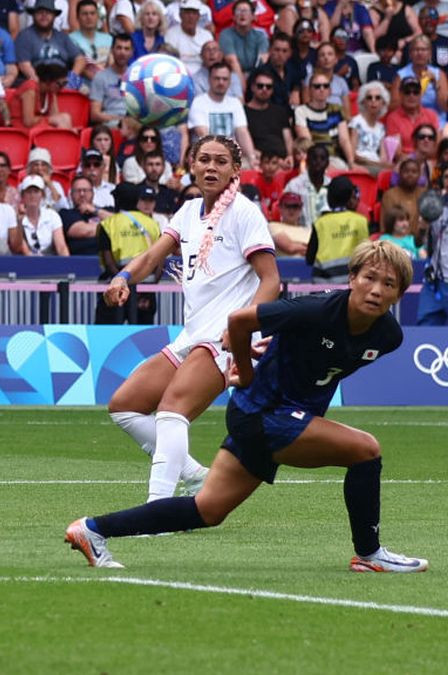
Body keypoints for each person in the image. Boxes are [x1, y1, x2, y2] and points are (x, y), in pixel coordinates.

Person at [67, 241, 427, 574]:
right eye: (369, 278)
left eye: (390, 284)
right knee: (366, 450)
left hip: (270, 416)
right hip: (264, 413)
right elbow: (239, 322)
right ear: (352, 278)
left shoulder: (388, 337)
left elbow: (317, 357)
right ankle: (369, 554)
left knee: (206, 511)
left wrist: (278, 347)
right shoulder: (316, 309)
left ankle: (92, 529)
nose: (377, 290)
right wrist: (245, 367)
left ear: (400, 292)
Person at [102, 135, 280, 503]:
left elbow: (271, 280)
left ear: (235, 170)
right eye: (204, 160)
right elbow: (152, 257)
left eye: (220, 161)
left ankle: (157, 509)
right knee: (124, 405)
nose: (211, 167)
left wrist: (242, 328)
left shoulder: (245, 213)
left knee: (171, 410)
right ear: (192, 166)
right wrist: (123, 278)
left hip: (224, 336)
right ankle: (195, 476)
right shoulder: (187, 212)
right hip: (192, 335)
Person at [96, 182, 162, 324]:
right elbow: (160, 259)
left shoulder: (108, 224)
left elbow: (109, 262)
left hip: (116, 289)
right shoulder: (152, 224)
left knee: (108, 337)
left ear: (117, 199)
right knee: (142, 339)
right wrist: (149, 289)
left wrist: (120, 284)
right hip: (145, 290)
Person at [188, 62, 258, 169]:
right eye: (217, 78)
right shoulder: (198, 102)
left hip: (231, 156)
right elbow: (204, 135)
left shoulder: (235, 103)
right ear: (209, 80)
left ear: (230, 81)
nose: (221, 82)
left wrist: (252, 158)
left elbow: (242, 132)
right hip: (206, 156)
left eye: (225, 79)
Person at [306, 175, 370, 280]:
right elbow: (367, 256)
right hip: (353, 283)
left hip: (324, 285)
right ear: (350, 197)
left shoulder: (320, 223)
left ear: (329, 197)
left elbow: (309, 259)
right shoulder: (361, 221)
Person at [14, 0, 82, 84]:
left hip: (64, 81)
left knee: (86, 91)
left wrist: (71, 79)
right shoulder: (24, 36)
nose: (44, 15)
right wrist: (43, 84)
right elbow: (24, 65)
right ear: (33, 15)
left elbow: (80, 59)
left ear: (54, 16)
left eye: (48, 12)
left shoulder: (62, 37)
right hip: (37, 83)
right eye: (40, 12)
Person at [10, 175, 68, 256]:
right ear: (23, 195)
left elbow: (61, 247)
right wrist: (19, 222)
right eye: (29, 192)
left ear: (42, 195)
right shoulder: (15, 217)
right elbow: (18, 248)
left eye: (36, 192)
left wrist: (67, 265)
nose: (32, 195)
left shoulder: (52, 216)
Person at [347, 81, 392, 175]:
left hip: (377, 165)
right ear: (363, 102)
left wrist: (387, 165)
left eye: (378, 98)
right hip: (362, 165)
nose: (373, 101)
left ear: (383, 103)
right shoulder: (356, 122)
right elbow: (353, 154)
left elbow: (383, 157)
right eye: (369, 98)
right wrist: (376, 164)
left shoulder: (381, 127)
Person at [89, 33, 132, 129]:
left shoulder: (137, 77)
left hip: (132, 124)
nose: (122, 52)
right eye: (119, 48)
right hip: (110, 125)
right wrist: (119, 119)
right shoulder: (100, 77)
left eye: (126, 49)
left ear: (131, 52)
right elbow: (94, 114)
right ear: (112, 50)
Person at [418, 193, 448, 325]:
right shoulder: (434, 204)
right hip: (435, 283)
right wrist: (423, 226)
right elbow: (418, 242)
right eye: (446, 177)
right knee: (425, 331)